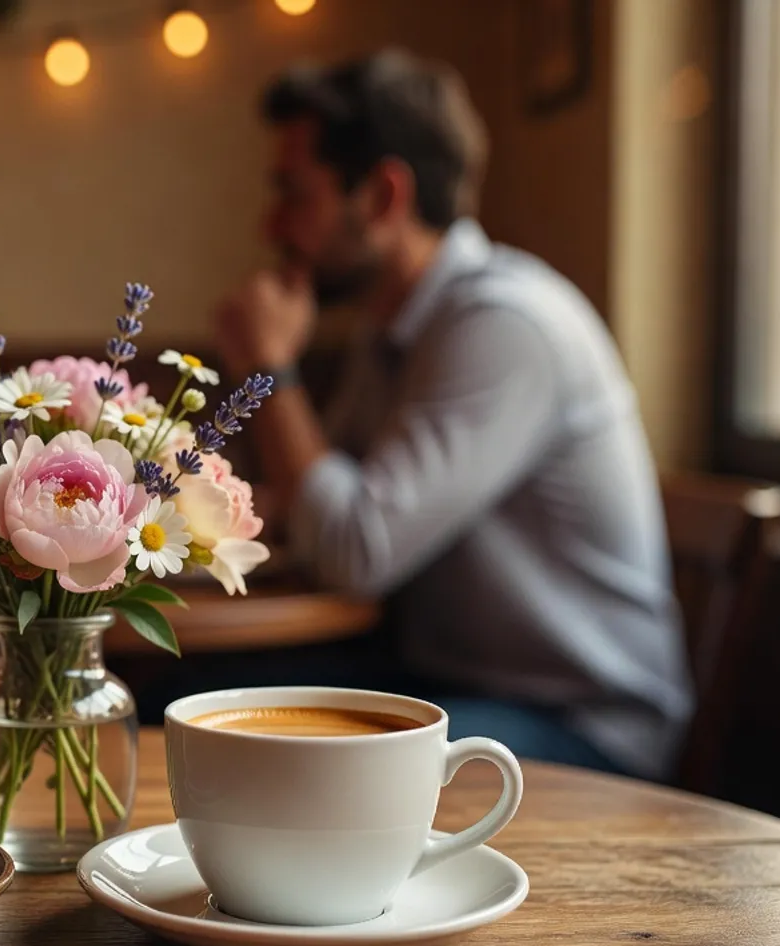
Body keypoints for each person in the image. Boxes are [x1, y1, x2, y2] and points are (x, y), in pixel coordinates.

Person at [212, 50, 691, 779]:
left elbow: (352, 551)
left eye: (294, 194)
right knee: (193, 702)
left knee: (304, 758)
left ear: (382, 195)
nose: (270, 222)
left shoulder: (504, 326)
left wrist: (272, 370)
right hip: (447, 683)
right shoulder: (395, 326)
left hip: (585, 727)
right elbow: (314, 509)